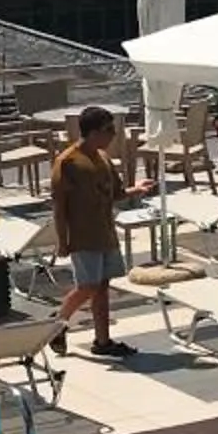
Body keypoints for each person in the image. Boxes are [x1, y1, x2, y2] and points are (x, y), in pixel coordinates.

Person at [50, 106, 146, 358]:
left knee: (102, 286)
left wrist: (137, 189)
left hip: (105, 232)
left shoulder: (103, 158)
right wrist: (63, 241)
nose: (113, 134)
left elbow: (116, 193)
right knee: (88, 285)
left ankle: (103, 341)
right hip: (83, 235)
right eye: (108, 130)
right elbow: (59, 207)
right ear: (92, 132)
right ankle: (58, 321)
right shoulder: (67, 162)